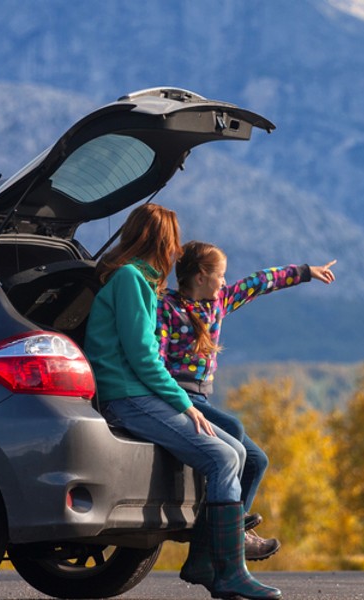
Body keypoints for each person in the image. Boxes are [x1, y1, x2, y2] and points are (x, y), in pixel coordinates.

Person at [84, 204, 280, 600]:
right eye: (172, 240)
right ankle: (228, 573)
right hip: (128, 396)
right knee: (224, 457)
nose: (176, 251)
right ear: (161, 240)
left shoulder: (138, 281)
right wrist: (184, 404)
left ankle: (208, 561)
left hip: (139, 392)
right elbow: (142, 356)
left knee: (238, 453)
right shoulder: (129, 280)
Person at [158, 240, 336, 565]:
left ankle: (230, 525)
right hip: (179, 398)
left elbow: (260, 282)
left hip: (202, 396)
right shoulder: (166, 308)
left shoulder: (219, 302)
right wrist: (176, 401)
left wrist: (307, 272)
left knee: (257, 461)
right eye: (220, 275)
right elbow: (156, 361)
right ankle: (230, 535)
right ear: (200, 276)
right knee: (235, 429)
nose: (225, 282)